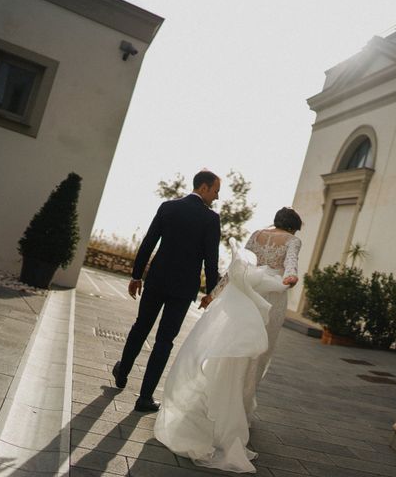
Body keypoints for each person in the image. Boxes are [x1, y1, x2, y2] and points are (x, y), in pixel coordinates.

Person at [154, 207, 302, 473]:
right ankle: (238, 413)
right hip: (272, 301)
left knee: (236, 353)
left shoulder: (257, 234)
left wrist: (213, 293)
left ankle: (223, 402)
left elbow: (238, 268)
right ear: (293, 227)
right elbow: (290, 265)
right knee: (258, 356)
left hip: (246, 300)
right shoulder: (292, 240)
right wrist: (290, 276)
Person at [112, 170, 221, 412]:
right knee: (165, 340)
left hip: (157, 280)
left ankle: (123, 372)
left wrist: (136, 275)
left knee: (141, 326)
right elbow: (211, 262)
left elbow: (148, 242)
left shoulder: (168, 207)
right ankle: (145, 397)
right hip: (183, 288)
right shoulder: (211, 219)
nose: (216, 197)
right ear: (204, 188)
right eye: (215, 191)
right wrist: (211, 292)